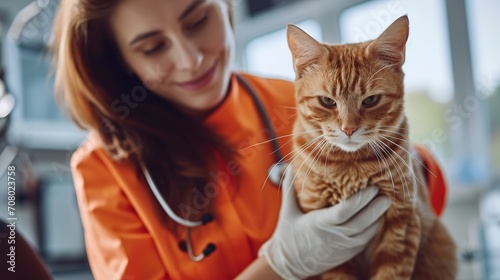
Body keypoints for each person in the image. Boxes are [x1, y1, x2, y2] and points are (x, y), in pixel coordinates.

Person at [51, 0, 397, 279]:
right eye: (153, 47)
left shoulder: (309, 104)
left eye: (198, 20)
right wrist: (280, 266)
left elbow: (424, 181)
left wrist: (406, 171)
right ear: (119, 62)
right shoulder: (102, 167)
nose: (191, 59)